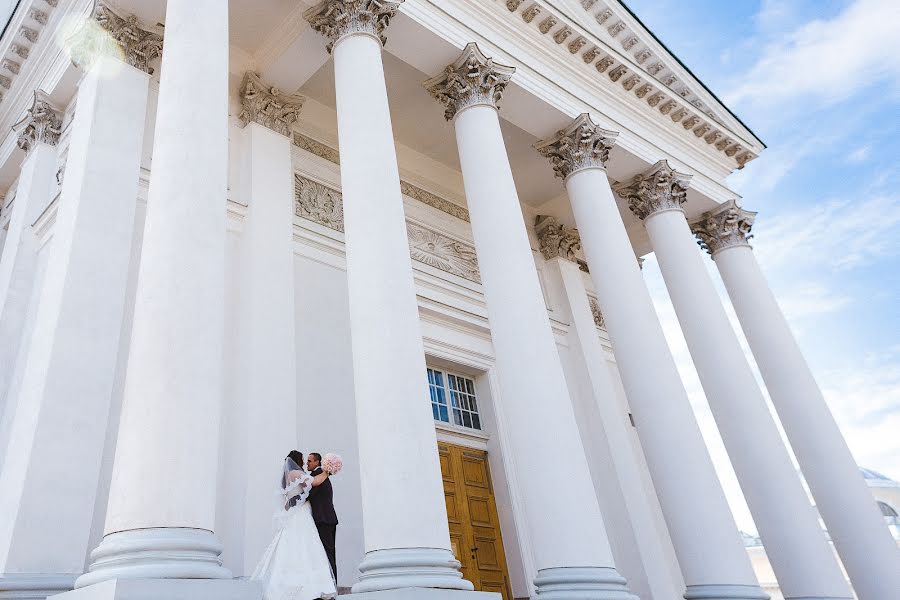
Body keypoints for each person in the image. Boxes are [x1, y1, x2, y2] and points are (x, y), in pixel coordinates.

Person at [251, 451, 336, 600]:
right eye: (303, 460)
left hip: (296, 512)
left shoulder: (287, 477)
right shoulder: (295, 473)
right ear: (295, 460)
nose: (303, 463)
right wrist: (328, 471)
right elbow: (314, 482)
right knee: (304, 545)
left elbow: (287, 503)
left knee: (295, 545)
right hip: (301, 514)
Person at [306, 452, 339, 581]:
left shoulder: (316, 475)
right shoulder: (322, 475)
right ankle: (330, 583)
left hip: (323, 520)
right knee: (328, 553)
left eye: (309, 461)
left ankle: (331, 584)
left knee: (327, 553)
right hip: (328, 519)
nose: (307, 463)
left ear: (317, 462)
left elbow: (307, 495)